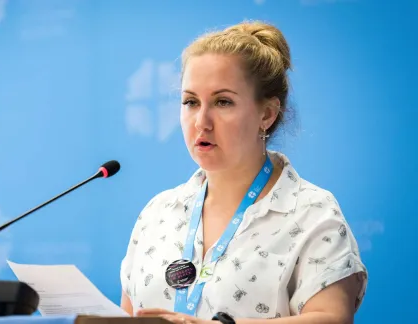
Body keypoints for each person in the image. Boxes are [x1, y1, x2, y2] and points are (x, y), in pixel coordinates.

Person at [119, 20, 368, 324]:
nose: (202, 121)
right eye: (191, 102)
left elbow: (332, 319)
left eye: (223, 102)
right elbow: (127, 316)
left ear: (267, 113)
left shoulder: (313, 213)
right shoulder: (157, 214)